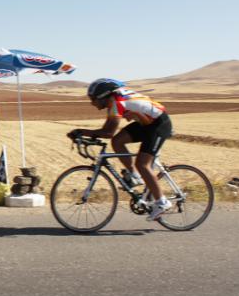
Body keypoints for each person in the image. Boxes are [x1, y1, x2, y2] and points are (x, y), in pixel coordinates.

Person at [68, 78, 173, 221]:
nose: (92, 103)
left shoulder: (117, 103)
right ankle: (135, 176)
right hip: (145, 123)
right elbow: (110, 133)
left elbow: (108, 131)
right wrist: (86, 133)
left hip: (159, 124)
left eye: (93, 99)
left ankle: (162, 202)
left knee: (142, 164)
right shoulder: (114, 101)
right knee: (117, 141)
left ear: (103, 96)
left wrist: (81, 131)